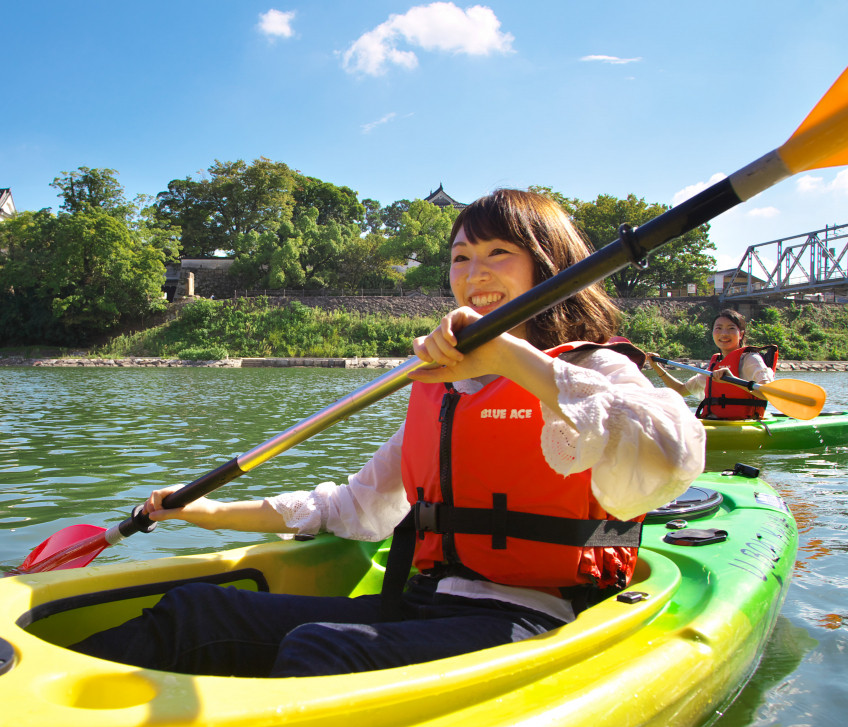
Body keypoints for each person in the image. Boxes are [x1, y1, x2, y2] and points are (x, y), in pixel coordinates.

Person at [71, 189, 705, 678]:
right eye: (460, 258)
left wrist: (512, 358)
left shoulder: (592, 369)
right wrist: (205, 512)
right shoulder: (444, 390)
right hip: (425, 605)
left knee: (319, 648)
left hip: (538, 618)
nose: (474, 272)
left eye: (496, 254)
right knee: (195, 613)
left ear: (549, 268)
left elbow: (673, 457)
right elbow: (357, 508)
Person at [647, 309, 777, 419]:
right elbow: (680, 390)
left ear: (741, 334)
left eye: (731, 328)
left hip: (746, 423)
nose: (724, 334)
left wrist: (732, 380)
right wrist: (657, 367)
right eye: (718, 328)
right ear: (713, 333)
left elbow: (769, 393)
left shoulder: (750, 359)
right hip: (715, 422)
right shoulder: (715, 365)